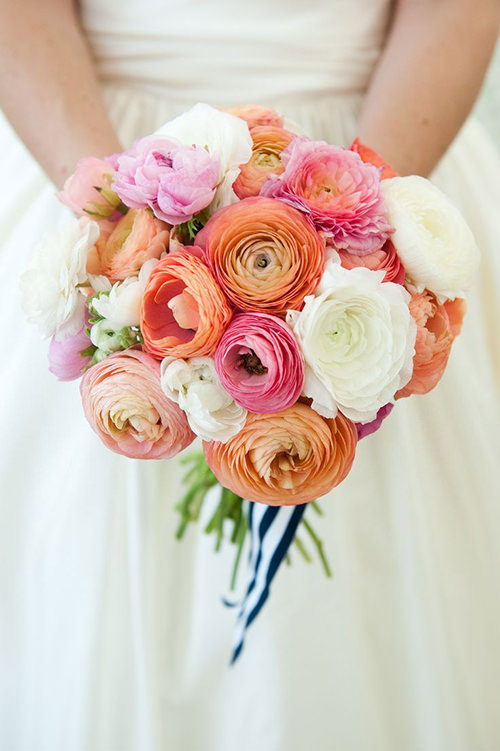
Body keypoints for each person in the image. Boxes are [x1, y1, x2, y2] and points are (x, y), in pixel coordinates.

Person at [1, 1, 500, 749]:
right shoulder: (111, 202)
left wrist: (358, 235)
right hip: (93, 149)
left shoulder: (368, 203)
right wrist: (121, 227)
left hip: (377, 145)